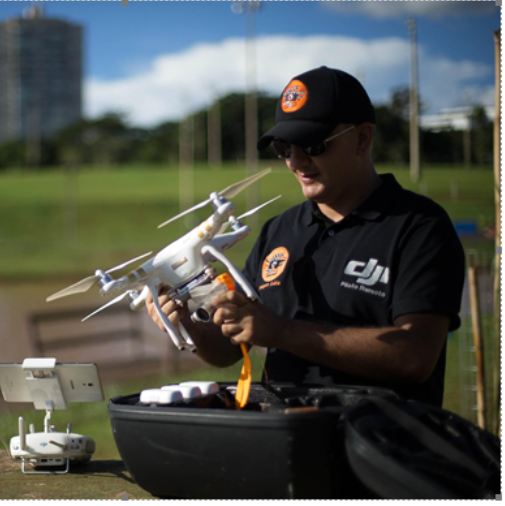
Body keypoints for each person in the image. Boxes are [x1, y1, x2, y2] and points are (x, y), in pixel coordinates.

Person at [146, 66, 465, 407]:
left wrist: (282, 331)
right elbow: (228, 349)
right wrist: (186, 323)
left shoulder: (419, 227)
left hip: (382, 449)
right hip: (284, 445)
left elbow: (414, 356)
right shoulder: (278, 230)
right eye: (285, 148)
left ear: (362, 138)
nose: (296, 162)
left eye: (314, 145)